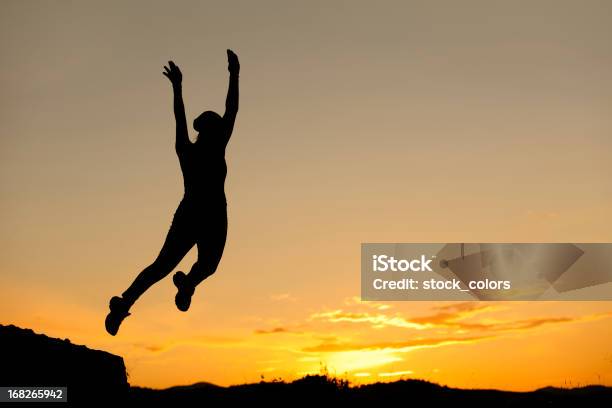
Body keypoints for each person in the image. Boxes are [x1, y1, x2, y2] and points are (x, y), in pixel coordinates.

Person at [105, 50, 240, 336]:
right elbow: (226, 112)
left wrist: (180, 87)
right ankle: (126, 304)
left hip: (203, 213)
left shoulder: (191, 150)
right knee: (173, 266)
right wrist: (232, 75)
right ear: (212, 130)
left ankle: (183, 286)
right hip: (203, 213)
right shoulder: (205, 149)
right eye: (218, 125)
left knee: (191, 266)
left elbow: (215, 114)